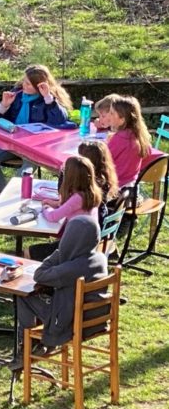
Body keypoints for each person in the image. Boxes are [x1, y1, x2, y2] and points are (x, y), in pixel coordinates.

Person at [13, 215, 108, 368]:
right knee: (44, 295)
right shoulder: (100, 258)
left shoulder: (72, 268)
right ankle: (39, 343)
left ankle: (28, 346)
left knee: (24, 296)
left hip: (71, 323)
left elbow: (40, 275)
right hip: (94, 320)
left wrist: (60, 252)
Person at [0, 64, 72, 193]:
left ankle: (13, 196)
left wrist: (48, 99)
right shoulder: (16, 95)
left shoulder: (47, 99)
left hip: (35, 148)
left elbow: (61, 119)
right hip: (12, 143)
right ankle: (1, 194)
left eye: (28, 84)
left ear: (38, 86)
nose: (24, 85)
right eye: (24, 81)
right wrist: (3, 106)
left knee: (26, 169)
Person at [28, 154, 102, 261]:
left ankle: (38, 276)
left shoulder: (78, 198)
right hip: (85, 245)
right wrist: (54, 203)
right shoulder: (90, 193)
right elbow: (68, 207)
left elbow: (53, 217)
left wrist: (45, 208)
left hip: (73, 249)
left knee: (29, 252)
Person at [97, 94, 152, 188]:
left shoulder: (120, 139)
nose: (109, 116)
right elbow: (148, 152)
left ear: (122, 119)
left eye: (112, 113)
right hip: (131, 187)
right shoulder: (139, 135)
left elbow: (101, 160)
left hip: (114, 188)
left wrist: (105, 144)